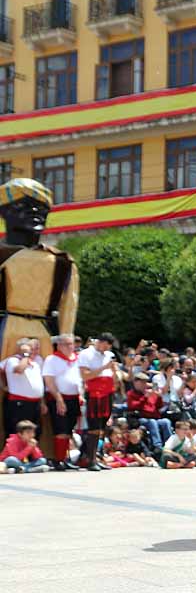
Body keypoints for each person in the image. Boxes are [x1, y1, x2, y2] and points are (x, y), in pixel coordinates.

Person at [0, 179, 78, 456]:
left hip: (44, 334)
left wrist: (65, 343)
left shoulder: (62, 261)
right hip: (5, 327)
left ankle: (45, 452)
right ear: (4, 212)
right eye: (24, 205)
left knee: (46, 392)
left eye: (41, 208)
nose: (35, 213)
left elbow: (69, 305)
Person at [43, 333, 91, 471]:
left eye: (72, 344)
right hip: (58, 398)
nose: (71, 347)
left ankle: (65, 458)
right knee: (61, 429)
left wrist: (81, 394)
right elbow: (49, 380)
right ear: (59, 345)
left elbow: (80, 379)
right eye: (67, 344)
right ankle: (59, 460)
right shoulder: (52, 359)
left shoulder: (77, 359)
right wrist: (59, 399)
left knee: (69, 430)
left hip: (74, 398)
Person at [77, 332, 118, 467]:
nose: (107, 349)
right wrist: (103, 368)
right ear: (100, 342)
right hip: (95, 393)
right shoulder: (86, 354)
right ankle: (91, 460)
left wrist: (114, 372)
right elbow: (85, 376)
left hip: (107, 393)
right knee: (94, 426)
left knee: (102, 426)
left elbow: (114, 377)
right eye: (105, 345)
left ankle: (91, 457)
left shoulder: (108, 355)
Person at [3, 338, 44, 437]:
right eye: (31, 348)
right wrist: (25, 354)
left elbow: (39, 384)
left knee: (35, 433)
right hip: (19, 403)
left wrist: (42, 402)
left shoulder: (35, 363)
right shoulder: (13, 360)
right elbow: (20, 369)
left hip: (35, 403)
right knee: (17, 434)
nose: (34, 351)